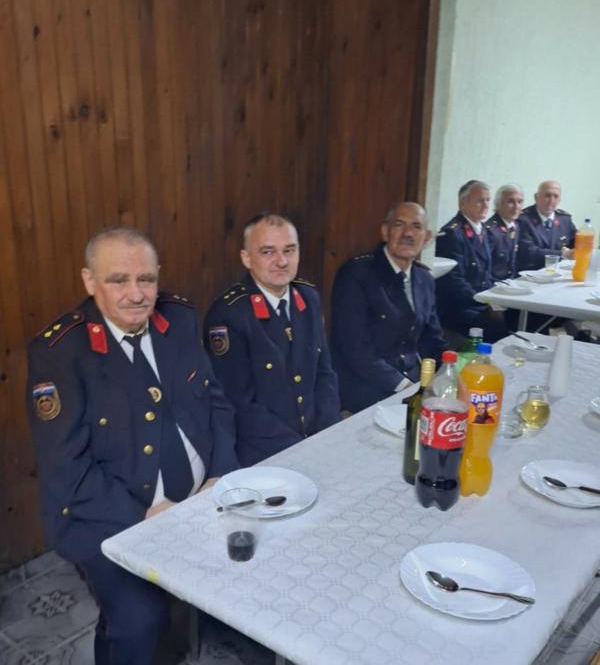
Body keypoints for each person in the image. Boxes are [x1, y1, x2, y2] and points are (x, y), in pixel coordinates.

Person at [26, 228, 238, 665]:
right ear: (90, 281)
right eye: (118, 280)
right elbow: (67, 470)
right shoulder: (60, 352)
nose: (136, 294)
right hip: (108, 514)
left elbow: (216, 404)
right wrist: (146, 516)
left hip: (202, 495)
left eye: (146, 279)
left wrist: (219, 474)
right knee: (138, 620)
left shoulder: (179, 319)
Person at [204, 212, 340, 466]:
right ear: (246, 258)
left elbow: (325, 375)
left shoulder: (308, 297)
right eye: (268, 252)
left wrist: (328, 433)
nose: (282, 261)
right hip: (263, 454)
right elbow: (238, 404)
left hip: (317, 441)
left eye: (289, 250)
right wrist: (299, 450)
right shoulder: (229, 314)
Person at [330, 201, 446, 413]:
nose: (408, 233)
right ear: (385, 231)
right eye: (399, 225)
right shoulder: (357, 274)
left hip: (411, 383)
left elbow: (432, 340)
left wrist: (454, 370)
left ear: (426, 237)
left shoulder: (424, 279)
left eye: (416, 227)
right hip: (364, 386)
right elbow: (356, 350)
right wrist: (406, 388)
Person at [435, 180, 507, 342]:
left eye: (487, 200)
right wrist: (486, 301)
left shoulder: (482, 230)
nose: (486, 205)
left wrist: (498, 296)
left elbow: (486, 274)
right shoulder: (452, 234)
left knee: (514, 314)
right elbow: (454, 283)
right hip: (459, 307)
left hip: (478, 301)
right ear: (463, 203)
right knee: (494, 327)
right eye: (480, 200)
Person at [518, 180, 577, 271]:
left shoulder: (565, 219)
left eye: (555, 196)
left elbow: (578, 243)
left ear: (559, 200)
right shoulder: (523, 219)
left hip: (559, 272)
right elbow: (528, 252)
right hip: (531, 274)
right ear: (536, 197)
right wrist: (562, 254)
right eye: (547, 195)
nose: (551, 201)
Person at [485, 183, 524, 281]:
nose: (516, 207)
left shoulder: (515, 226)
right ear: (498, 205)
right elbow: (484, 270)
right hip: (494, 285)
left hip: (511, 281)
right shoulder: (490, 231)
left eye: (520, 202)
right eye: (510, 202)